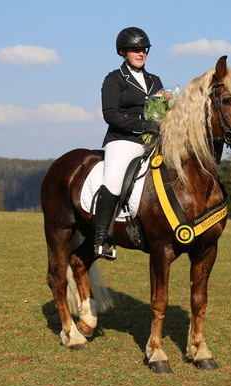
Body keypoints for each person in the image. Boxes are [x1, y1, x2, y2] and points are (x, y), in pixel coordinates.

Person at [94, 27, 164, 260]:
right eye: (135, 49)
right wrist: (144, 126)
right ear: (123, 52)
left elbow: (159, 114)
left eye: (143, 49)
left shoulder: (155, 81)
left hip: (153, 141)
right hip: (123, 140)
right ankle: (101, 238)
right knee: (113, 182)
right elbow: (111, 115)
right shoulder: (114, 79)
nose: (141, 53)